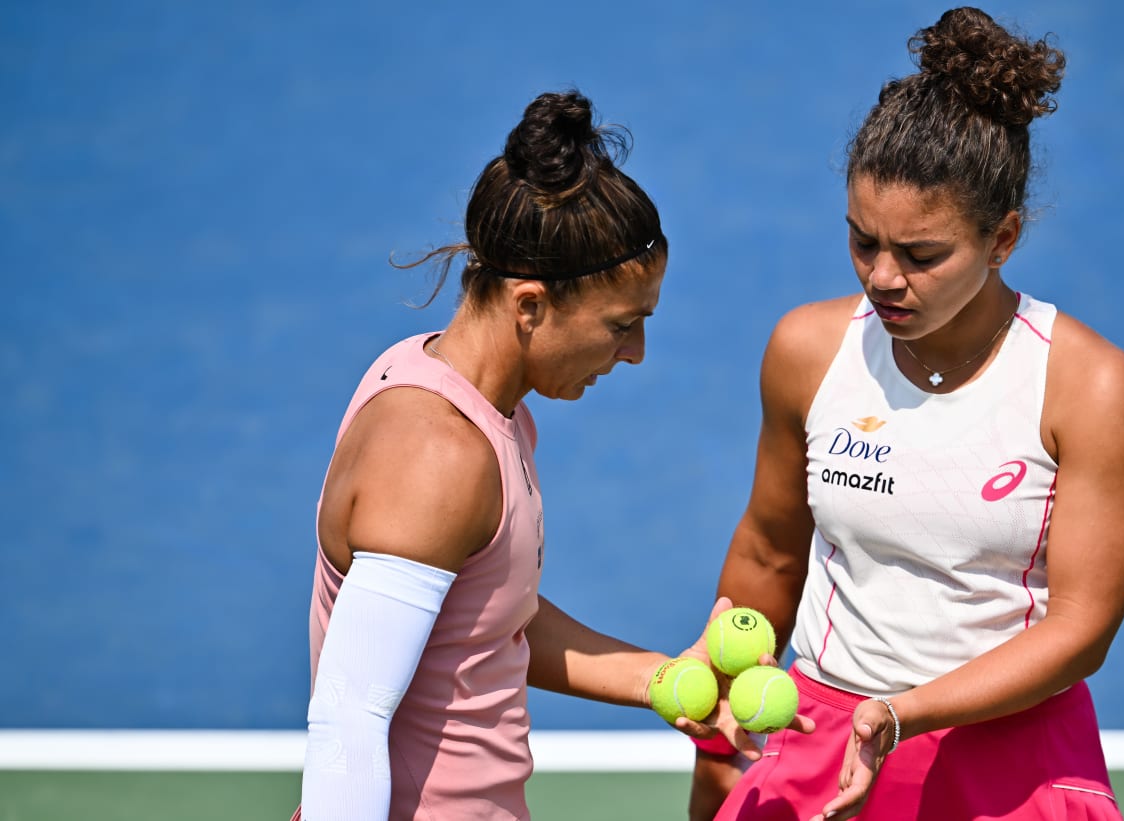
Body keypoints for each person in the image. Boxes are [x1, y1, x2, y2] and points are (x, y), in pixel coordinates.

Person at [691, 8, 1124, 820]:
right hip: (821, 732)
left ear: (1002, 238)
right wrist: (717, 753)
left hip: (1009, 753)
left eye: (921, 254)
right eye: (862, 241)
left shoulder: (1089, 387)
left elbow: (1081, 628)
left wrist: (903, 712)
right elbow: (769, 550)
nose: (882, 277)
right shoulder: (808, 350)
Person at [294, 90, 805, 821]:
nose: (636, 352)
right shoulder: (436, 455)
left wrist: (660, 679)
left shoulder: (473, 406)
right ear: (530, 306)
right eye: (622, 325)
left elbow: (485, 623)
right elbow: (349, 719)